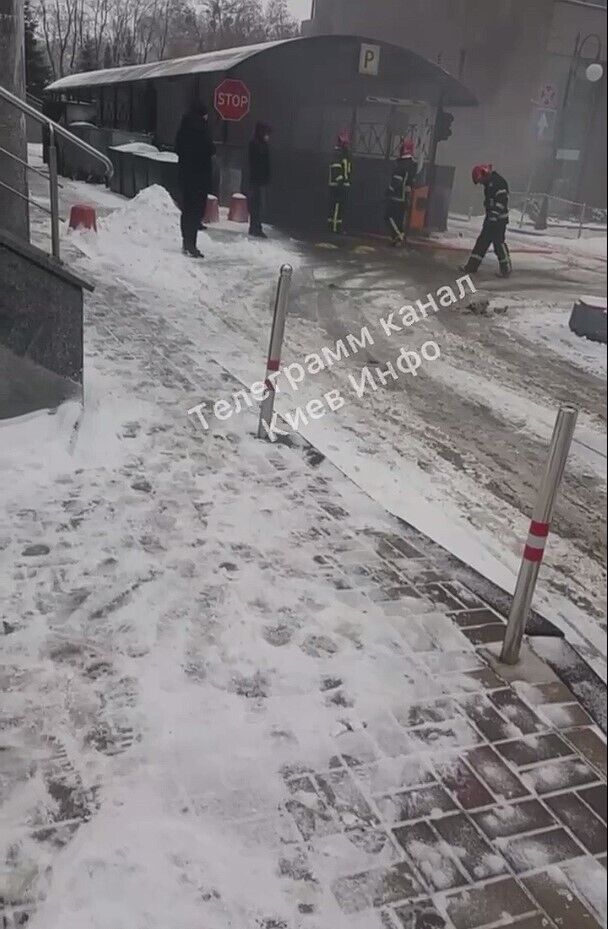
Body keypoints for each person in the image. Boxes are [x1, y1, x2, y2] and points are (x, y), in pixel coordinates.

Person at [175, 102, 215, 258]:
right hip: (199, 178)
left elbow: (177, 148)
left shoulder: (183, 129)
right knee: (196, 211)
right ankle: (192, 245)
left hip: (185, 176)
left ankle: (186, 242)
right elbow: (209, 149)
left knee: (187, 210)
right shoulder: (201, 131)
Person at [463, 164, 512, 277]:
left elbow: (501, 201)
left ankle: (506, 269)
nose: (481, 183)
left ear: (483, 174)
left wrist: (494, 215)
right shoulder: (489, 184)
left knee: (498, 244)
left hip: (499, 220)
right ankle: (471, 267)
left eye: (480, 181)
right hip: (491, 218)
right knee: (482, 242)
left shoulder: (498, 183)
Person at [385, 138, 418, 246]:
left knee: (388, 216)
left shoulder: (401, 164)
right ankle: (398, 237)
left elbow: (396, 180)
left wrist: (389, 190)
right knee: (399, 218)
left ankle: (399, 236)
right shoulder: (412, 164)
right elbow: (411, 181)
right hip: (405, 197)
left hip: (396, 195)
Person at [248, 122, 272, 238]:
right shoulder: (256, 144)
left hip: (260, 179)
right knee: (256, 204)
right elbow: (258, 162)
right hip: (256, 179)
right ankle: (255, 227)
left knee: (258, 204)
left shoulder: (260, 144)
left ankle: (256, 226)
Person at [328, 131, 352, 234]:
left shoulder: (345, 154)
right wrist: (340, 180)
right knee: (336, 206)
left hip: (344, 185)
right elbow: (336, 168)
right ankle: (334, 227)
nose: (347, 145)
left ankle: (338, 226)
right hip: (337, 185)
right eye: (345, 143)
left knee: (341, 207)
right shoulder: (337, 154)